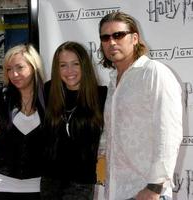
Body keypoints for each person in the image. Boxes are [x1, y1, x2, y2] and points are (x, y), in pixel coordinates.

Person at [98, 12, 183, 200]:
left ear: (134, 38)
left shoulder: (154, 73)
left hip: (145, 191)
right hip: (115, 191)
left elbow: (169, 132)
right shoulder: (113, 82)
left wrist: (155, 187)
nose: (112, 42)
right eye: (106, 37)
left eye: (118, 35)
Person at [41, 41, 107, 200]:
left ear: (84, 65)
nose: (69, 71)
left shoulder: (102, 95)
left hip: (82, 181)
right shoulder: (48, 90)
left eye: (75, 64)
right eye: (63, 65)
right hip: (49, 179)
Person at [0, 44, 45, 200]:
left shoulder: (51, 95)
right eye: (9, 69)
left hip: (38, 184)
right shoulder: (0, 97)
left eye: (19, 68)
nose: (14, 74)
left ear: (34, 67)